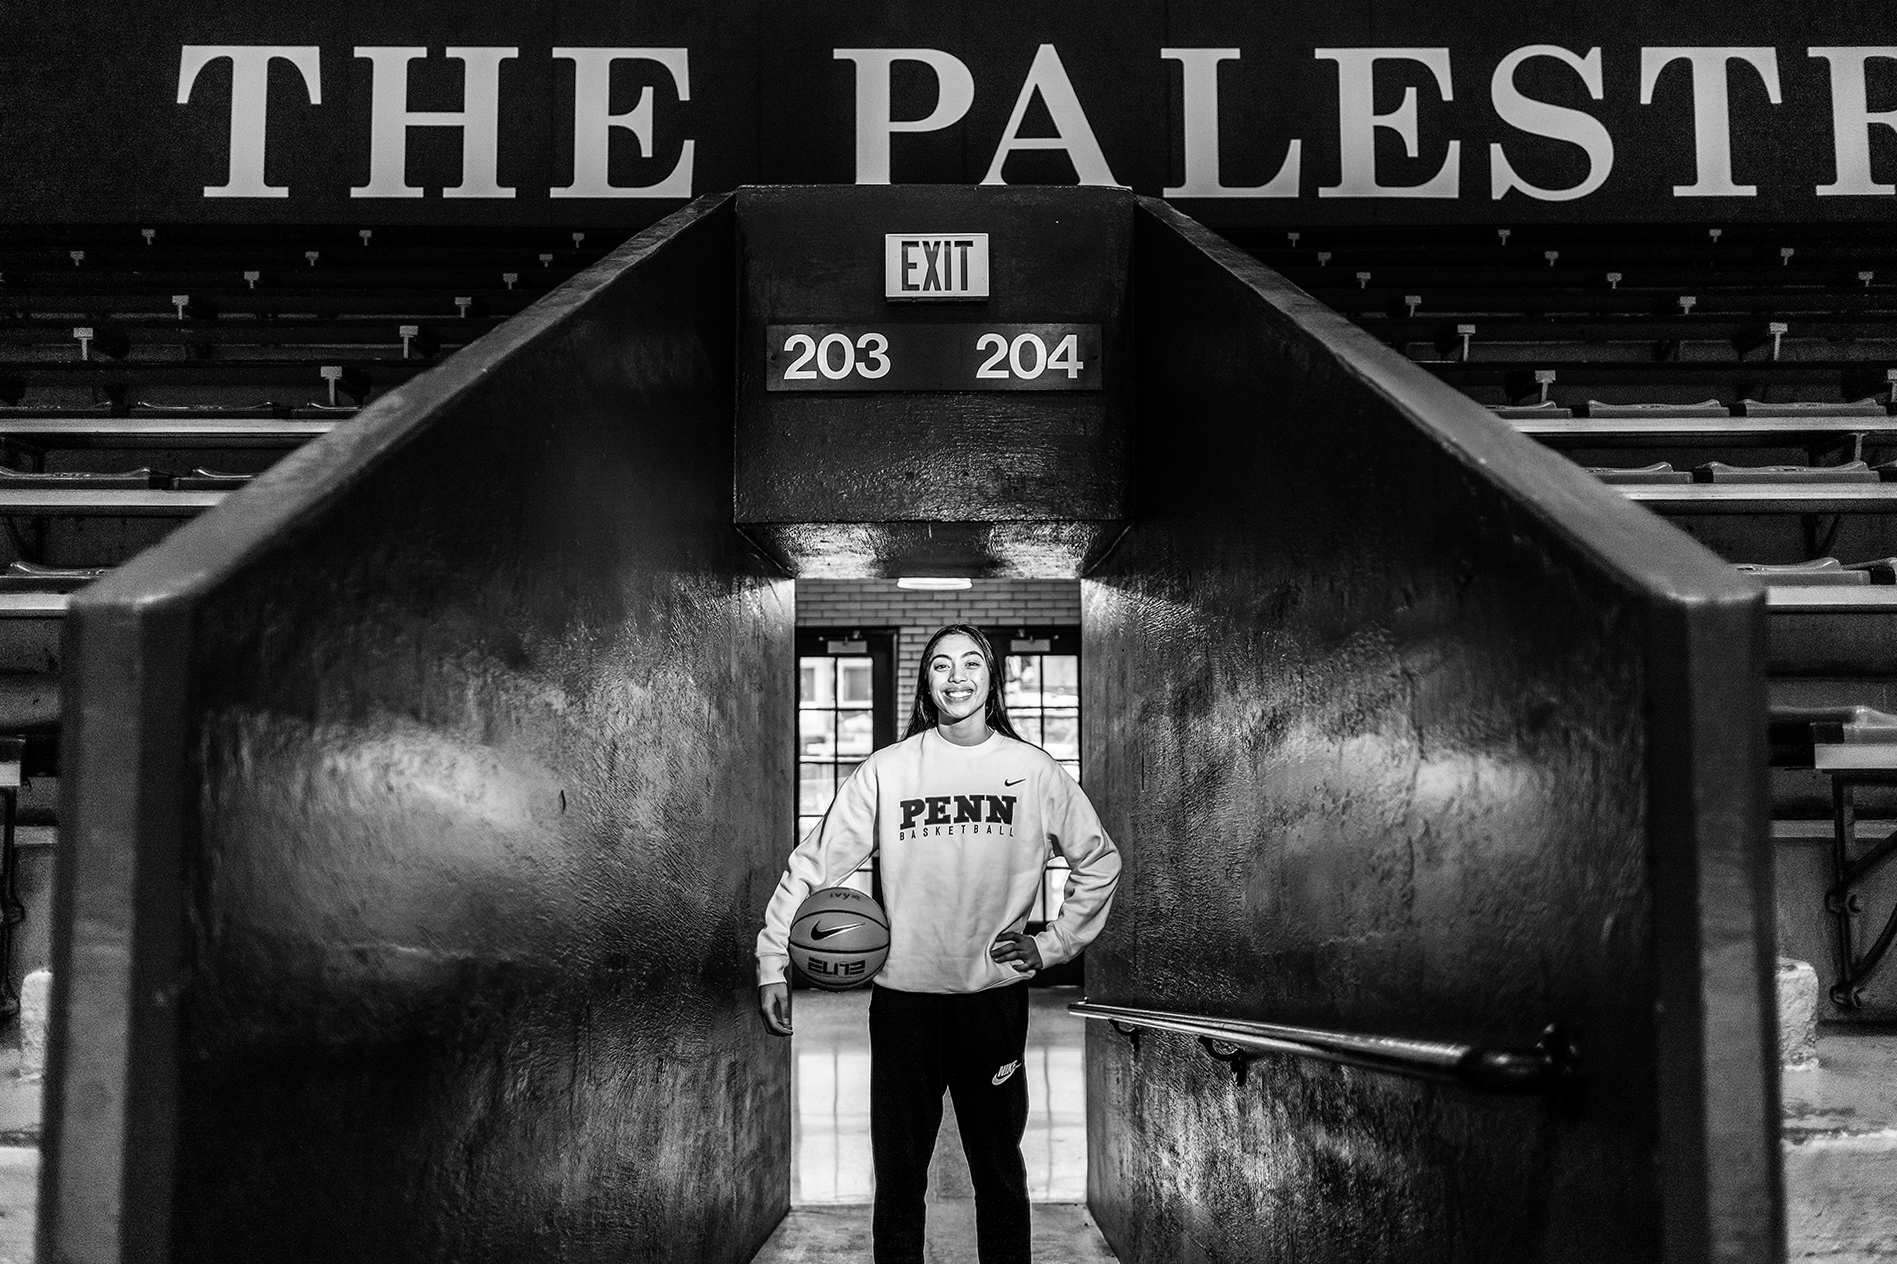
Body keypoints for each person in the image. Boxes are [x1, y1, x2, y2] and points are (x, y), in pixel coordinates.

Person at [756, 623, 1122, 1264]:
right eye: (941, 665)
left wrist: (1057, 942)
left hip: (991, 1001)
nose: (957, 677)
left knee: (999, 1175)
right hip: (903, 1005)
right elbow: (812, 865)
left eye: (972, 663)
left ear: (992, 677)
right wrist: (772, 958)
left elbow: (1099, 860)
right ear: (925, 682)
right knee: (899, 1182)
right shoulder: (890, 770)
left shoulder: (1032, 771)